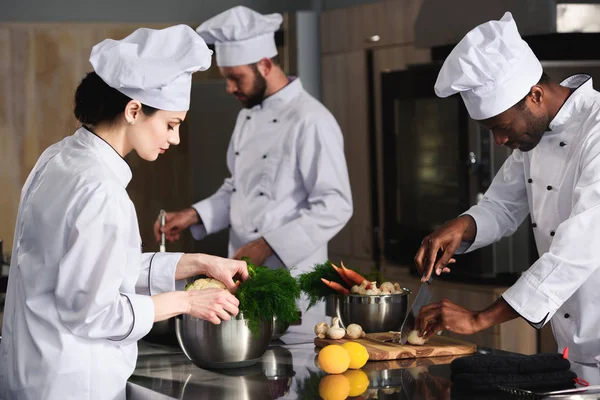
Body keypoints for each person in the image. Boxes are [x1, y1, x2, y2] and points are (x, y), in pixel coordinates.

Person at [0, 25, 248, 400]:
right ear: (134, 110)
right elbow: (93, 311)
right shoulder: (101, 190)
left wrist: (198, 263)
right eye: (171, 124)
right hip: (73, 383)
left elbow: (98, 270)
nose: (175, 138)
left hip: (35, 371)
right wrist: (187, 301)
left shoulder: (60, 158)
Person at [414, 12, 600, 364]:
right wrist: (461, 227)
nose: (499, 140)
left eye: (501, 126)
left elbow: (578, 249)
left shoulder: (597, 132)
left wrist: (478, 319)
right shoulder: (536, 132)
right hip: (577, 352)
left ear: (535, 95)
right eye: (490, 130)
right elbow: (502, 205)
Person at [154, 6, 353, 333]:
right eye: (227, 79)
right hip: (244, 272)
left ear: (264, 65)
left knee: (292, 371)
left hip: (292, 280)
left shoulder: (311, 120)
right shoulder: (247, 116)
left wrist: (266, 244)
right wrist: (193, 215)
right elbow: (238, 188)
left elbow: (336, 205)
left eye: (236, 78)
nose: (230, 88)